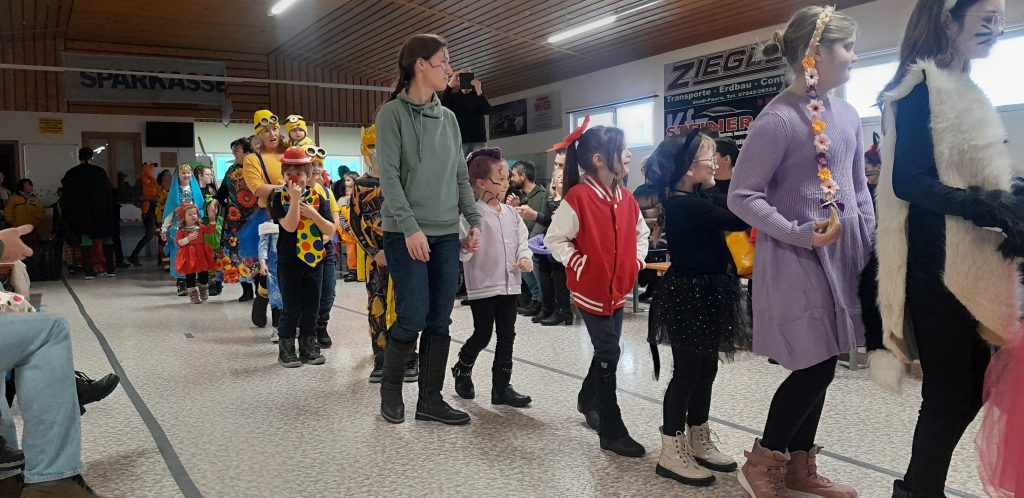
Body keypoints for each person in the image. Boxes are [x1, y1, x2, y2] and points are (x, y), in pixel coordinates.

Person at [874, 1, 1018, 496]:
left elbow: (979, 176)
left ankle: (916, 488)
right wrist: (988, 206)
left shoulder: (966, 87)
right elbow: (909, 181)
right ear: (947, 19)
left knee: (969, 388)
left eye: (1001, 19)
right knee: (948, 393)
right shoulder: (920, 87)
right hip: (937, 264)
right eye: (987, 18)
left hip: (971, 259)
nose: (996, 28)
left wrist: (1009, 197)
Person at [727, 6, 871, 497]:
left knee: (827, 359)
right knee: (815, 364)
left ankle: (798, 466)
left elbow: (858, 189)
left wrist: (870, 245)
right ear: (815, 54)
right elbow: (742, 195)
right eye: (846, 47)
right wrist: (798, 231)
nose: (853, 56)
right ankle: (764, 460)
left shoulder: (847, 115)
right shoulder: (777, 120)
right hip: (796, 260)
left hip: (843, 257)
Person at [375, 33, 482, 426]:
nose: (448, 70)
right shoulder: (391, 115)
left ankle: (430, 401)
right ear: (420, 64)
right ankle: (390, 390)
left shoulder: (449, 119)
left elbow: (460, 178)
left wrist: (474, 222)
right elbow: (388, 178)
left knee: (440, 319)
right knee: (413, 315)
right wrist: (410, 228)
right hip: (405, 233)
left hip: (445, 234)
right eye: (443, 62)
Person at [646, 130, 749, 487]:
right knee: (687, 373)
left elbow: (726, 201)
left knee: (706, 369)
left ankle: (697, 436)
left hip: (708, 291)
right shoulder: (684, 204)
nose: (716, 162)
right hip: (689, 294)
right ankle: (671, 449)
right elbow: (739, 218)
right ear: (689, 169)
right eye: (710, 157)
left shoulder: (697, 196)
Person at [545, 123, 650, 458]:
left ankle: (588, 399)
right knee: (608, 352)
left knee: (609, 350)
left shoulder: (626, 198)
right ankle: (611, 429)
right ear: (599, 160)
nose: (628, 154)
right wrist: (580, 264)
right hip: (590, 290)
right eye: (622, 149)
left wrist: (635, 262)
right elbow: (555, 239)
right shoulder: (578, 197)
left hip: (618, 288)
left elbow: (642, 234)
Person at [450, 149, 533, 408]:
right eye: (501, 179)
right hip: (483, 286)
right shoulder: (471, 215)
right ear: (481, 183)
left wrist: (525, 258)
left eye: (507, 178)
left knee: (508, 335)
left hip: (510, 285)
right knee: (483, 333)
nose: (507, 183)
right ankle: (463, 366)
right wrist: (466, 246)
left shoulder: (512, 214)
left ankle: (501, 387)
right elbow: (463, 253)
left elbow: (522, 242)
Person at [351, 125, 418, 383]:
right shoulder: (360, 186)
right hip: (376, 257)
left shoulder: (405, 181)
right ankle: (380, 357)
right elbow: (355, 223)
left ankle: (409, 356)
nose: (378, 152)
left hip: (405, 253)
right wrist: (373, 251)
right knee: (377, 305)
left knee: (408, 304)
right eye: (372, 147)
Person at [269, 147, 336, 367]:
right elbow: (289, 226)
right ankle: (286, 349)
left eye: (298, 174)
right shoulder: (278, 196)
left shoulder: (318, 196)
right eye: (289, 174)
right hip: (290, 260)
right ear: (283, 175)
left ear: (308, 175)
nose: (294, 178)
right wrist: (295, 201)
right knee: (291, 306)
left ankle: (309, 346)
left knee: (312, 306)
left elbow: (330, 229)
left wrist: (314, 214)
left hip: (315, 259)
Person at [242, 111, 291, 302]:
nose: (272, 134)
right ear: (259, 136)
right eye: (266, 131)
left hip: (297, 213)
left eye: (275, 129)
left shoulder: (290, 153)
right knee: (273, 266)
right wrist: (289, 190)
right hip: (272, 217)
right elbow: (257, 188)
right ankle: (275, 310)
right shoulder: (252, 159)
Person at [518, 167, 574, 326]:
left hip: (567, 240)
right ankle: (547, 306)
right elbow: (545, 220)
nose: (558, 179)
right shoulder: (550, 198)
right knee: (540, 257)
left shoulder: (571, 198)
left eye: (562, 177)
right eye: (556, 177)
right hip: (552, 238)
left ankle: (563, 309)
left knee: (553, 258)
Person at [61, 147, 116, 279]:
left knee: (86, 239)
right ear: (92, 157)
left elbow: (67, 197)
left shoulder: (72, 173)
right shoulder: (99, 172)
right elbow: (108, 193)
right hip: (101, 212)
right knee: (106, 237)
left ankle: (89, 271)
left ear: (79, 157)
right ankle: (110, 269)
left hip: (82, 214)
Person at [218, 137, 261, 301]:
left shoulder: (257, 167)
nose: (234, 154)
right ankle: (246, 290)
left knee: (255, 254)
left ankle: (259, 290)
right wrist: (215, 200)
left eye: (236, 151)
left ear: (248, 153)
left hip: (254, 218)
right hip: (234, 219)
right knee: (237, 254)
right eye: (233, 151)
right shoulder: (231, 169)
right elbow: (223, 190)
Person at [504, 160, 548, 317]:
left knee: (527, 255)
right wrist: (512, 208)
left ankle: (539, 300)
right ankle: (534, 298)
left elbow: (541, 222)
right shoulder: (520, 197)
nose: (511, 179)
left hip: (539, 242)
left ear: (523, 176)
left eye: (513, 175)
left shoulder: (541, 196)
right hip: (524, 241)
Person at [160, 164, 205, 296]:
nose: (186, 175)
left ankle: (193, 280)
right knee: (179, 255)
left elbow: (201, 209)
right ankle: (181, 282)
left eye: (188, 173)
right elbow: (169, 212)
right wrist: (164, 230)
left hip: (194, 228)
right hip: (178, 229)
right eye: (183, 173)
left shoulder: (194, 190)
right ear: (178, 175)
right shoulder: (175, 191)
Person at [440, 68, 490, 157]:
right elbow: (442, 106)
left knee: (480, 164)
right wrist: (450, 85)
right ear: (459, 79)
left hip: (479, 140)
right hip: (460, 140)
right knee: (461, 165)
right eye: (462, 77)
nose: (465, 80)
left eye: (468, 77)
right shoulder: (454, 97)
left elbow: (487, 110)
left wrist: (479, 90)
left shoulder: (478, 95)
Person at [174, 204, 216, 304]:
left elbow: (210, 230)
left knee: (203, 272)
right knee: (190, 275)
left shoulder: (200, 227)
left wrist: (212, 221)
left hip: (201, 253)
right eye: (190, 214)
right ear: (183, 217)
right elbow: (178, 242)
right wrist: (188, 238)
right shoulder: (181, 230)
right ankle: (193, 295)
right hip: (188, 254)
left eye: (195, 213)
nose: (193, 216)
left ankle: (203, 289)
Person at [127, 163, 160, 267]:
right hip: (147, 211)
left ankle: (161, 258)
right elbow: (136, 197)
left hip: (156, 210)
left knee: (159, 233)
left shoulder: (153, 180)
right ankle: (134, 255)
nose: (151, 169)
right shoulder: (140, 181)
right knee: (150, 234)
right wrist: (151, 198)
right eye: (150, 167)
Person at [257, 218, 282, 341]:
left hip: (291, 267)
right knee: (276, 299)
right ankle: (277, 328)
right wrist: (263, 264)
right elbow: (263, 246)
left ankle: (295, 326)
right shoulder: (268, 226)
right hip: (274, 269)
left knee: (292, 297)